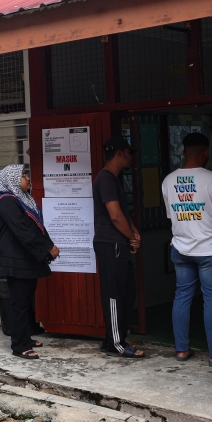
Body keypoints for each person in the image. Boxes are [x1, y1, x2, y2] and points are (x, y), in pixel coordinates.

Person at [162, 133, 212, 366]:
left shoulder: (168, 181)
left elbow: (172, 217)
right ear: (206, 152)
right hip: (210, 251)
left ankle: (181, 351)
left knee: (182, 296)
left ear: (183, 151)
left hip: (180, 248)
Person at [0, 165, 58, 358]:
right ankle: (20, 346)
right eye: (23, 175)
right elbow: (23, 231)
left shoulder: (23, 200)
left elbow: (36, 226)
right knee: (19, 302)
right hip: (16, 260)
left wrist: (48, 245)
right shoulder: (7, 201)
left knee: (26, 300)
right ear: (12, 179)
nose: (28, 178)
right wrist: (47, 247)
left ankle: (25, 337)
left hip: (26, 258)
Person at [92, 136, 143, 358]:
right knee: (114, 295)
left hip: (118, 242)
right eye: (128, 153)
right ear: (119, 154)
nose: (131, 158)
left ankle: (112, 339)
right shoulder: (106, 179)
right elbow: (114, 216)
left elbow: (123, 213)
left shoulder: (114, 179)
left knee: (127, 291)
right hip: (110, 243)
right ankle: (115, 344)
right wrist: (131, 236)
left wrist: (134, 234)